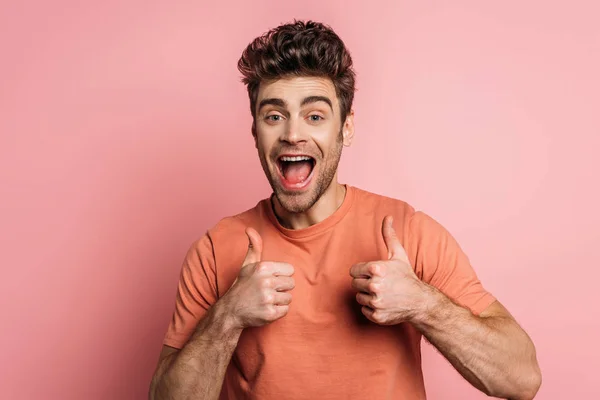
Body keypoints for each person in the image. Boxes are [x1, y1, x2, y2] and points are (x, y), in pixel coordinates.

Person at [149, 20, 541, 400]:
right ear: (255, 133)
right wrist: (228, 317)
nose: (292, 134)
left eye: (315, 116)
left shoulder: (409, 233)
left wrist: (424, 304)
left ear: (346, 128)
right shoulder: (216, 249)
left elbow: (521, 379)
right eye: (274, 116)